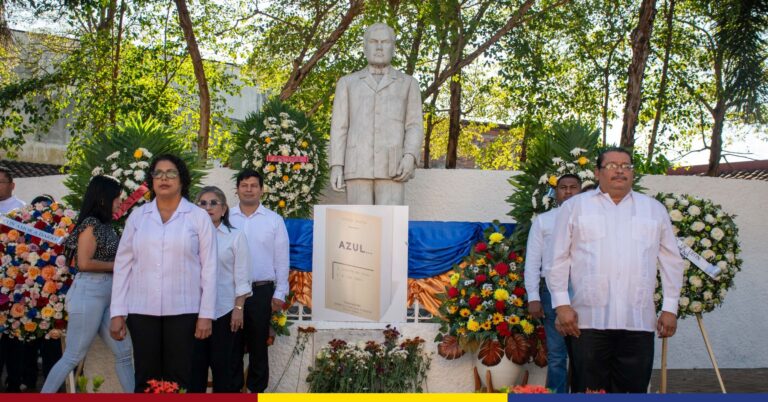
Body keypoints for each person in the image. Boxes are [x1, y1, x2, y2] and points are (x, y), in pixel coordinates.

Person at [548, 147, 684, 393]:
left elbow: (671, 260)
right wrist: (562, 305)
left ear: (632, 173)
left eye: (626, 166)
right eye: (612, 165)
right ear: (597, 172)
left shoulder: (653, 210)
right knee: (587, 390)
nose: (620, 170)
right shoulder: (575, 207)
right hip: (587, 322)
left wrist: (670, 308)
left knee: (632, 390)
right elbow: (557, 258)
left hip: (638, 321)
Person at [109, 154, 217, 392]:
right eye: (158, 173)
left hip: (184, 312)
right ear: (151, 180)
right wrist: (117, 311)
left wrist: (206, 314)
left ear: (182, 180)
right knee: (145, 378)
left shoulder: (198, 217)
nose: (164, 178)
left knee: (179, 378)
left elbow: (210, 268)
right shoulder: (138, 217)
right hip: (141, 310)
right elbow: (123, 266)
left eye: (171, 173)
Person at [41, 177, 134, 393]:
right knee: (73, 355)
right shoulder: (90, 224)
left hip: (107, 294)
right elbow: (83, 263)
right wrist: (119, 265)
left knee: (124, 353)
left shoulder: (105, 225)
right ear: (104, 198)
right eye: (116, 197)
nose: (120, 202)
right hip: (89, 292)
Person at [329, 22, 424, 205]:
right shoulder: (347, 83)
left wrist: (410, 156)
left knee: (391, 226)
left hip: (393, 166)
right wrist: (336, 165)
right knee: (358, 225)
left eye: (385, 42)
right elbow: (339, 127)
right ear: (365, 47)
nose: (379, 47)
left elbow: (414, 125)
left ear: (393, 48)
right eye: (373, 42)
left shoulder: (408, 83)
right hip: (357, 165)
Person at [228, 169, 289, 393]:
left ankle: (256, 392)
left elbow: (282, 259)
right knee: (231, 346)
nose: (249, 189)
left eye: (254, 185)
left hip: (261, 292)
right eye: (244, 185)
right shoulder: (227, 217)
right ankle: (232, 392)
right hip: (231, 292)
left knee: (258, 348)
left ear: (261, 190)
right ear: (237, 189)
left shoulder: (273, 220)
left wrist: (279, 293)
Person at [190, 186, 251, 393]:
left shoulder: (235, 237)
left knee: (223, 371)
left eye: (213, 203)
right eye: (203, 203)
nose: (208, 207)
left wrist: (238, 308)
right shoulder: (189, 237)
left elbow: (242, 276)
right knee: (194, 371)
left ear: (224, 209)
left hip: (225, 312)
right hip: (193, 313)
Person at [524, 174, 581, 393]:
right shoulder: (543, 221)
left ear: (581, 191)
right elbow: (533, 260)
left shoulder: (591, 219)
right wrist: (533, 297)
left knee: (585, 351)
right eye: (563, 187)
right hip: (551, 292)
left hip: (584, 291)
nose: (568, 191)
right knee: (557, 353)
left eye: (573, 187)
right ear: (555, 193)